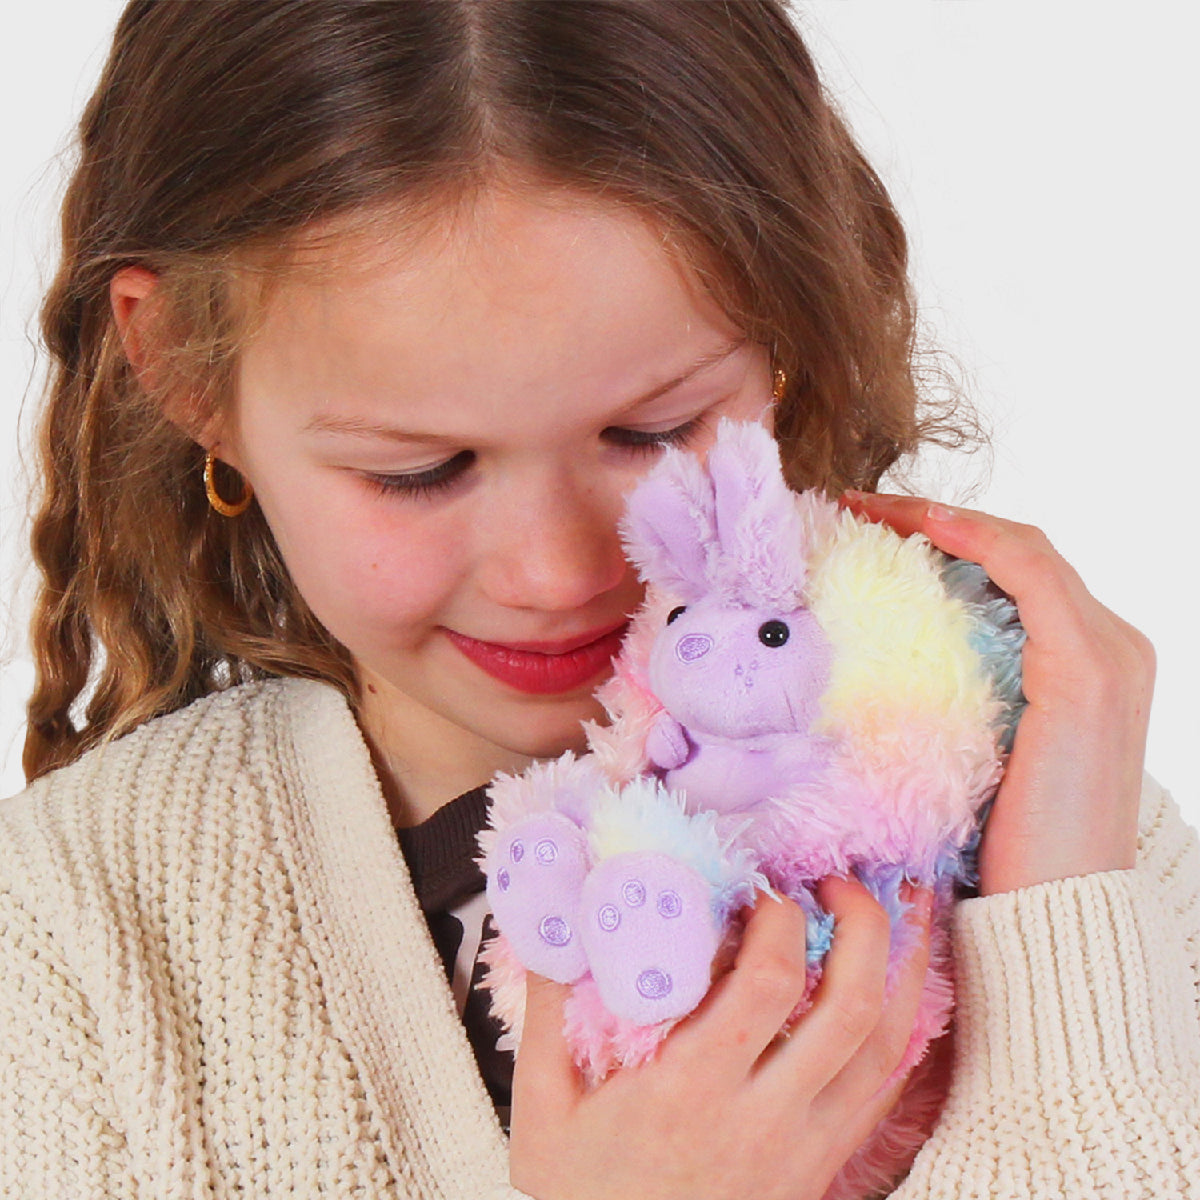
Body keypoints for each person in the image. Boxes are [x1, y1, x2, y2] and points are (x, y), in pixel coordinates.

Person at [2, 2, 1197, 1198]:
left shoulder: (1060, 825)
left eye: (654, 430)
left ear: (786, 343)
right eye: (419, 470)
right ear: (185, 372)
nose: (557, 572)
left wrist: (1065, 942)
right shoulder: (66, 925)